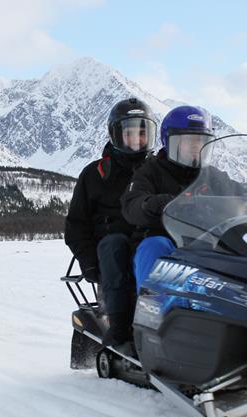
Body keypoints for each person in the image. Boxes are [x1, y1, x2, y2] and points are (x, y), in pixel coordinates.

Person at [64, 98, 158, 345]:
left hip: (149, 245)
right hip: (112, 255)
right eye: (130, 133)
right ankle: (120, 331)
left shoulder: (159, 171)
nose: (137, 140)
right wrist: (89, 262)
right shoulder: (95, 174)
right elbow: (76, 225)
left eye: (142, 133)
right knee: (115, 244)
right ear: (117, 134)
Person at [121, 105, 219, 288]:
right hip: (164, 240)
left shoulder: (212, 175)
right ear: (170, 141)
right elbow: (132, 204)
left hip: (204, 242)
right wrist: (156, 203)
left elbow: (238, 189)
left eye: (200, 140)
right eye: (189, 140)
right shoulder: (150, 171)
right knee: (154, 246)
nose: (196, 146)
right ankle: (154, 309)